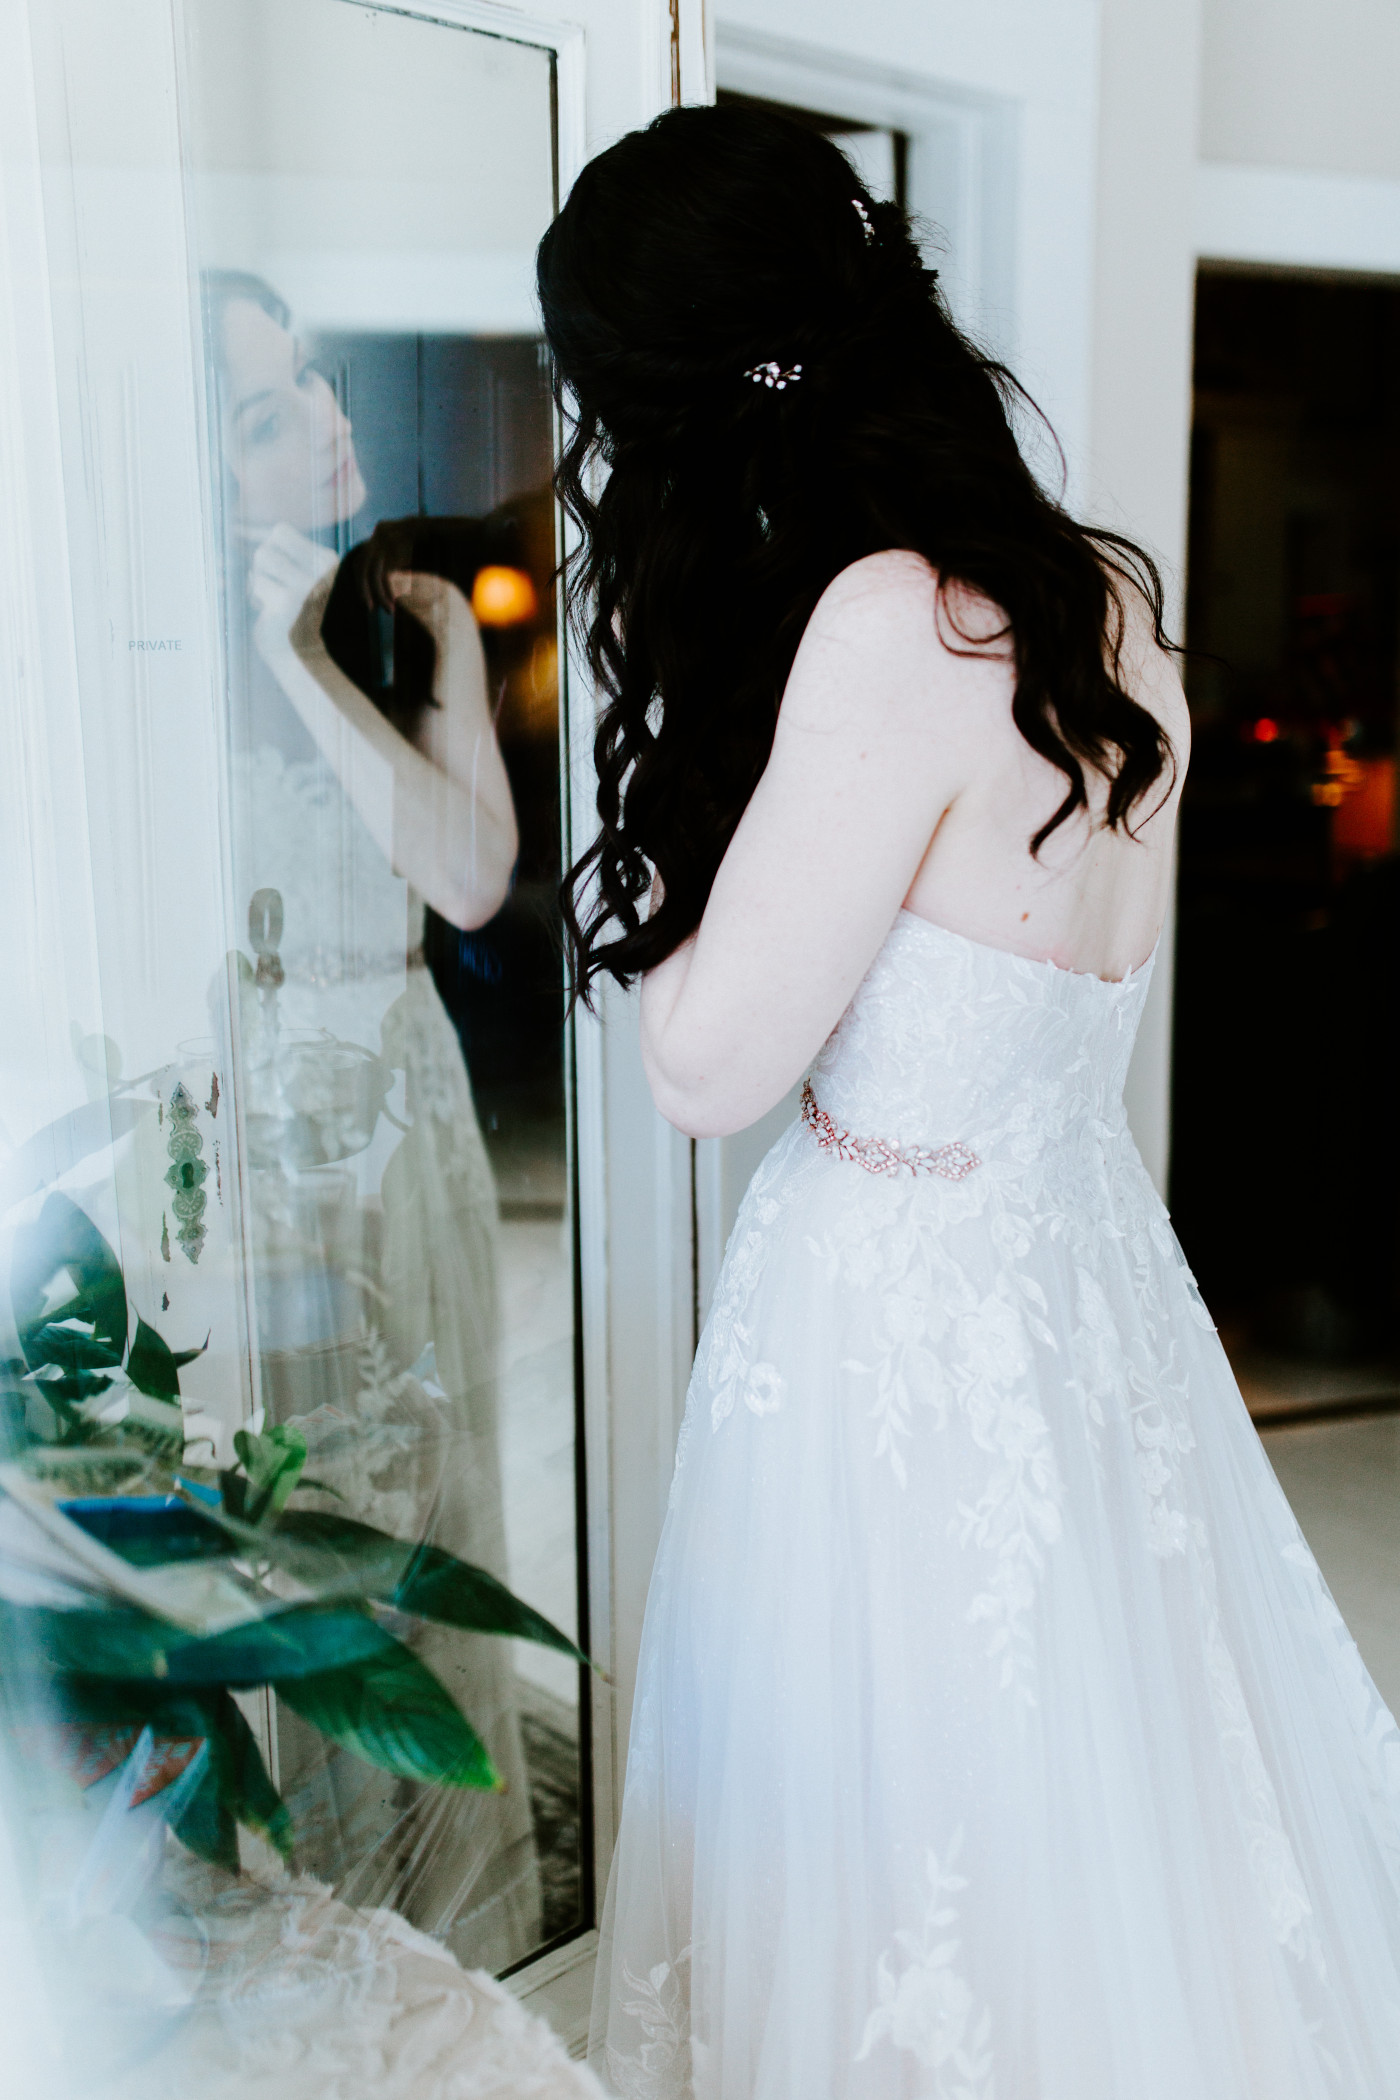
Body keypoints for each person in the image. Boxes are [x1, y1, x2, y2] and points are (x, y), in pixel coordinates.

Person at [537, 105, 1400, 2098]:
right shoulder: (1102, 593)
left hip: (894, 1325)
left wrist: (680, 767)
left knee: (895, 1835)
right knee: (1095, 1794)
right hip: (1078, 1284)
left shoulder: (886, 626)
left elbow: (703, 1068)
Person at [202, 271, 540, 1969]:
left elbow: (471, 873)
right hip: (288, 1142)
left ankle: (445, 1921)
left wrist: (452, 653)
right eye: (269, 416)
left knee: (439, 1489)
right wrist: (274, 655)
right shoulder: (183, 670)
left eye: (316, 385)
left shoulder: (396, 615)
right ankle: (329, 1924)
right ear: (213, 476)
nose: (328, 424)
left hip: (409, 1110)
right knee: (318, 1513)